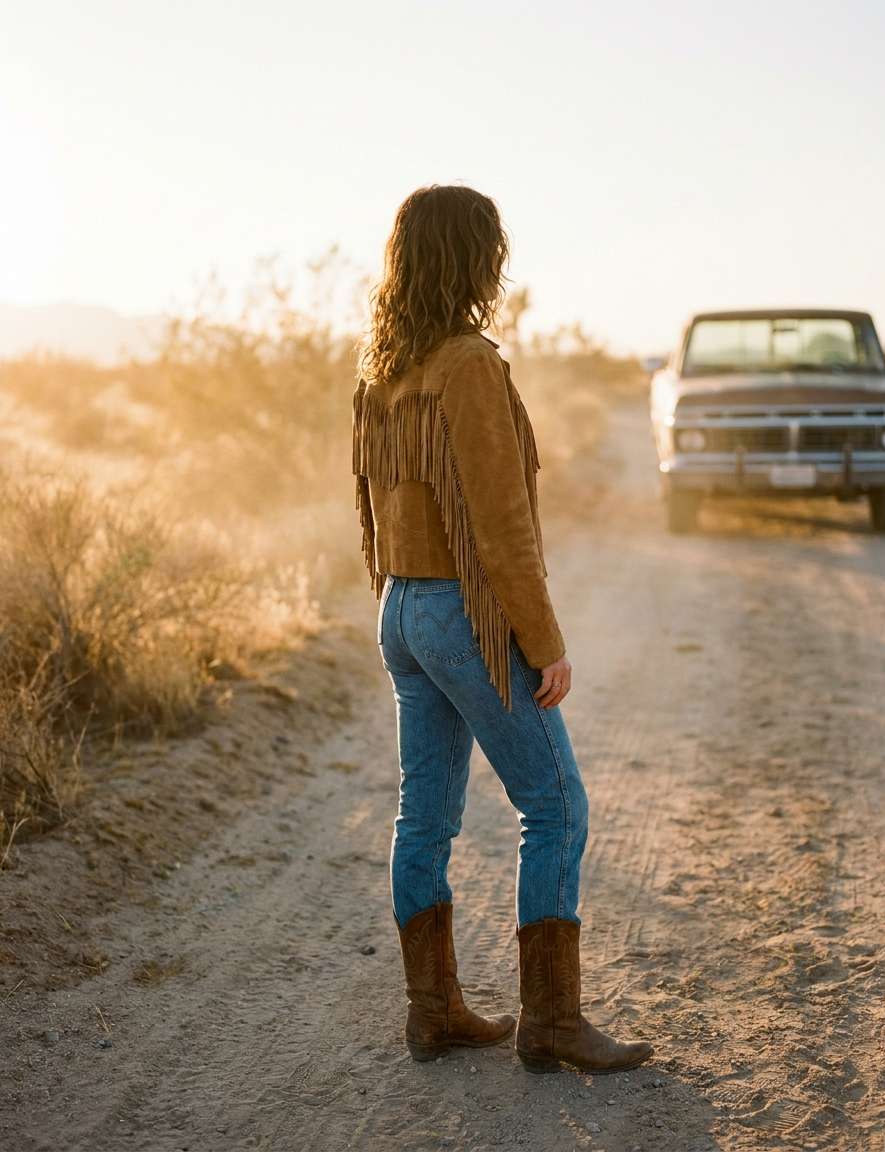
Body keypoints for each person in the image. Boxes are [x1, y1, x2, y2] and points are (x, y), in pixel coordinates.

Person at [351, 184, 653, 1075]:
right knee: (555, 805)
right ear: (474, 260)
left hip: (401, 607)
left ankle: (434, 1013)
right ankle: (551, 1023)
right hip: (462, 614)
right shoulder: (467, 365)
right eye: (492, 250)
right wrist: (543, 640)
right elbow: (500, 523)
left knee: (424, 817)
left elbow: (373, 503)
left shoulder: (383, 367)